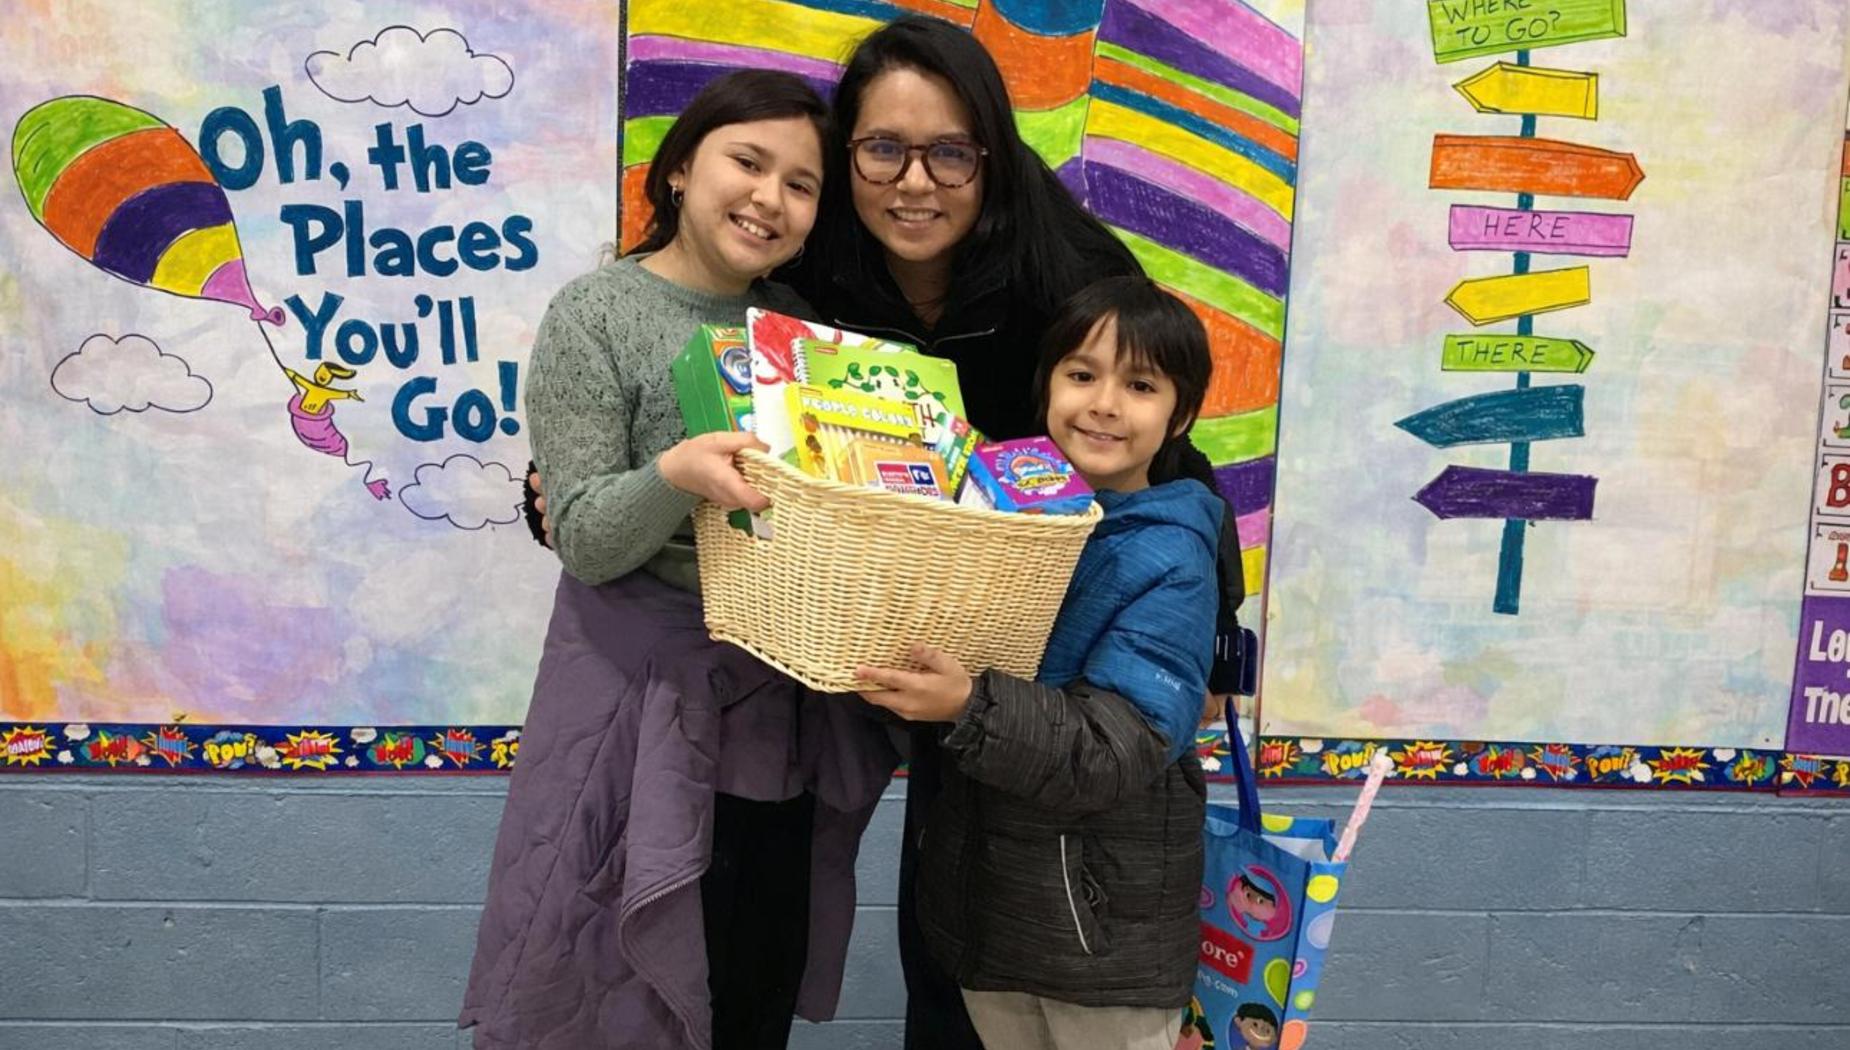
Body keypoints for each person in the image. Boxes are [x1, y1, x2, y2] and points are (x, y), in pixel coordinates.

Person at [523, 16, 1249, 1046]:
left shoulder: (1063, 264)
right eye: (880, 150)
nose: (916, 181)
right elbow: (700, 414)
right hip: (852, 629)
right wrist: (555, 491)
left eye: (949, 151)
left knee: (992, 930)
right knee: (941, 917)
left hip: (1029, 635)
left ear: (989, 154)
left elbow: (1168, 447)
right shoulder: (809, 274)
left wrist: (1219, 631)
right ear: (845, 157)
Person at [459, 70, 896, 1050]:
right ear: (678, 170)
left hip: (774, 718)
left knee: (747, 991)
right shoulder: (596, 313)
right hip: (629, 711)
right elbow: (582, 534)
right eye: (746, 162)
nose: (767, 198)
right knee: (614, 994)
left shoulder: (803, 338)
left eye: (800, 184)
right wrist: (675, 473)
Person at [855, 276, 1221, 1050]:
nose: (1104, 404)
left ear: (1179, 415)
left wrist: (967, 705)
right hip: (990, 920)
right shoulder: (1002, 522)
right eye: (1082, 374)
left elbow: (1118, 750)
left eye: (1141, 384)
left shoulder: (1172, 558)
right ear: (1048, 384)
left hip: (1100, 940)